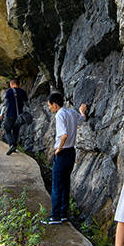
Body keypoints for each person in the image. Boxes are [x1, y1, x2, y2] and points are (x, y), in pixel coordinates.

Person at [44, 92, 81, 223]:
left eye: (50, 106)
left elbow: (63, 134)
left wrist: (58, 148)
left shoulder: (60, 115)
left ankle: (55, 216)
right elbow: (82, 119)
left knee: (56, 185)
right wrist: (82, 111)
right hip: (71, 152)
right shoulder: (71, 112)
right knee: (65, 184)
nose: (49, 108)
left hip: (63, 152)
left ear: (55, 104)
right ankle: (63, 213)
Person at [1, 77, 26, 154]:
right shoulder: (23, 92)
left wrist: (1, 113)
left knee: (7, 129)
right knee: (16, 131)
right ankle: (14, 146)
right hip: (20, 116)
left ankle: (12, 145)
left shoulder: (9, 91)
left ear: (12, 84)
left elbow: (5, 104)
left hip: (10, 114)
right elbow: (27, 104)